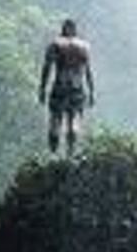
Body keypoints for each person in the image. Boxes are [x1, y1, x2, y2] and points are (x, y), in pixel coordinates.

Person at [38, 16, 95, 154]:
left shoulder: (55, 44)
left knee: (55, 120)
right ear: (75, 30)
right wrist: (91, 91)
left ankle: (53, 153)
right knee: (74, 119)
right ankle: (71, 152)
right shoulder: (84, 46)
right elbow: (88, 71)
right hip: (77, 87)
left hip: (60, 86)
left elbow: (47, 68)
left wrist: (42, 88)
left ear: (63, 29)